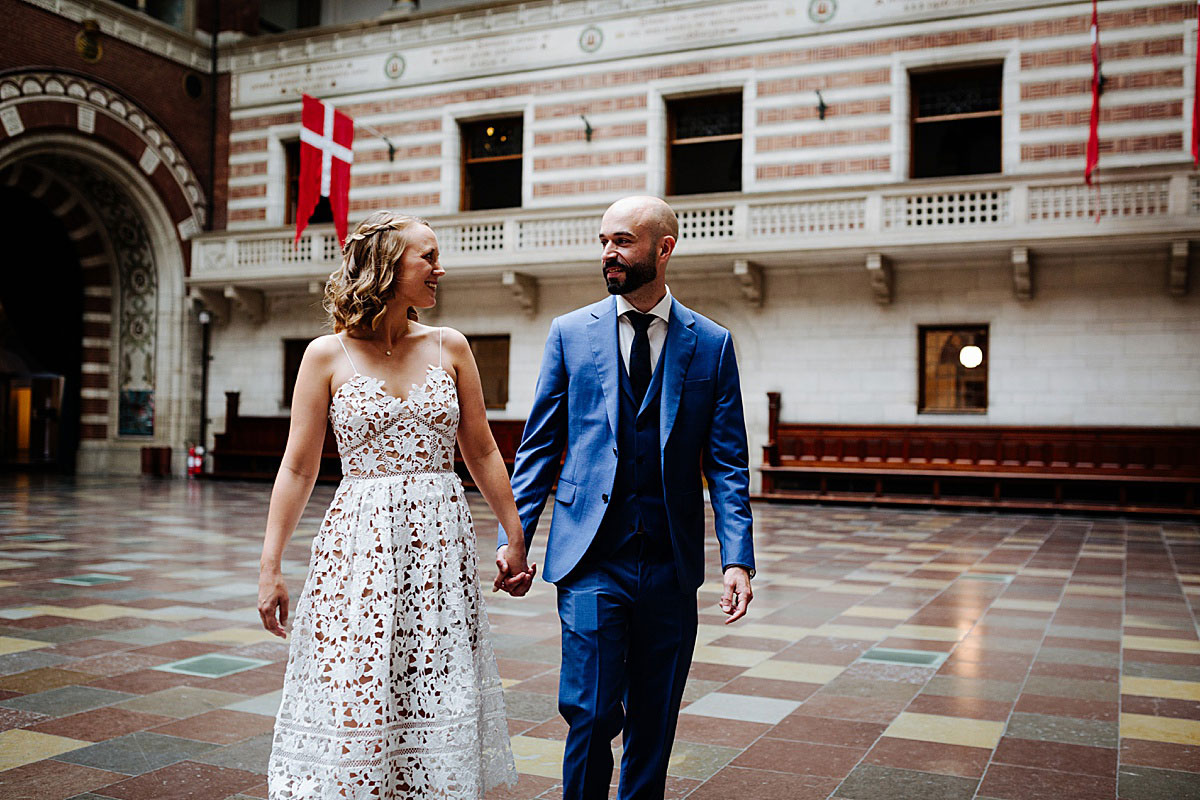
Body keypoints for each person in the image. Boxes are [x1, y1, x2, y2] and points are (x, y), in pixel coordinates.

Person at [257, 211, 530, 799]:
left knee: (432, 677)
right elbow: (299, 467)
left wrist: (515, 534)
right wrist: (270, 567)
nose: (440, 268)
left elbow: (480, 449)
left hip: (439, 544)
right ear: (387, 265)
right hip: (361, 547)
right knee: (360, 680)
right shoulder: (324, 355)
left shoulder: (449, 346)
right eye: (427, 256)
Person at [495, 196, 755, 800]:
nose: (608, 253)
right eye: (604, 240)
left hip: (669, 563)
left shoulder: (711, 344)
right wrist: (517, 537)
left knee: (655, 720)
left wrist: (737, 557)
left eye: (623, 241)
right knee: (588, 712)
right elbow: (538, 450)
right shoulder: (569, 333)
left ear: (663, 249)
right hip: (591, 559)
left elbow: (726, 461)